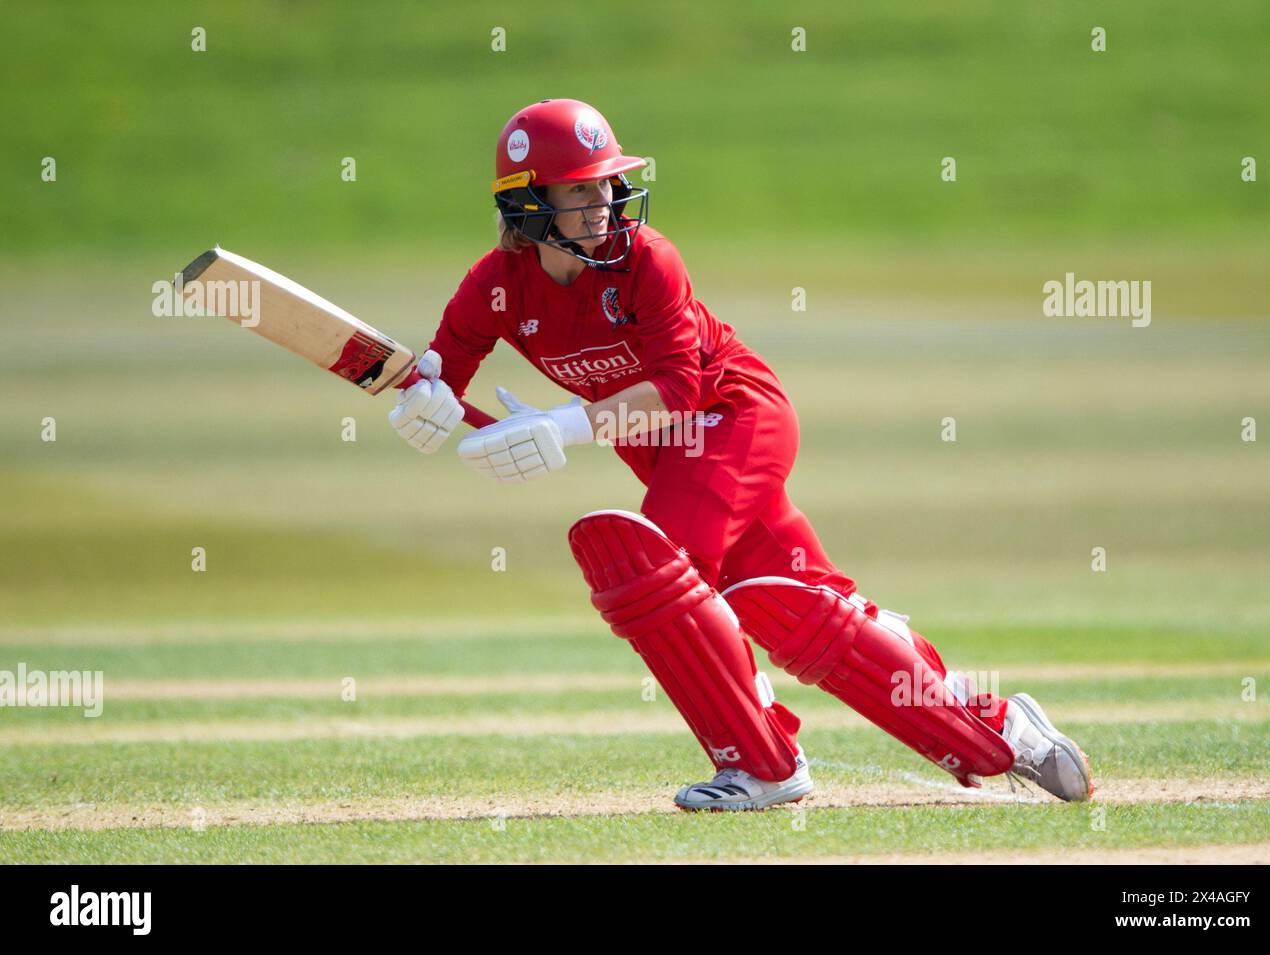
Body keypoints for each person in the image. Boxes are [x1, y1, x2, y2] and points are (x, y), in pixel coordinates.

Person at [388, 98, 1093, 810]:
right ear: (529, 202)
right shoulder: (497, 286)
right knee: (802, 608)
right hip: (671, 457)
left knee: (658, 573)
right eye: (579, 188)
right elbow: (444, 365)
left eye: (606, 182)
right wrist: (424, 396)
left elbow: (679, 390)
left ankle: (763, 763)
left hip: (733, 418)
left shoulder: (649, 260)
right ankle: (1005, 732)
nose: (603, 200)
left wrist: (565, 425)